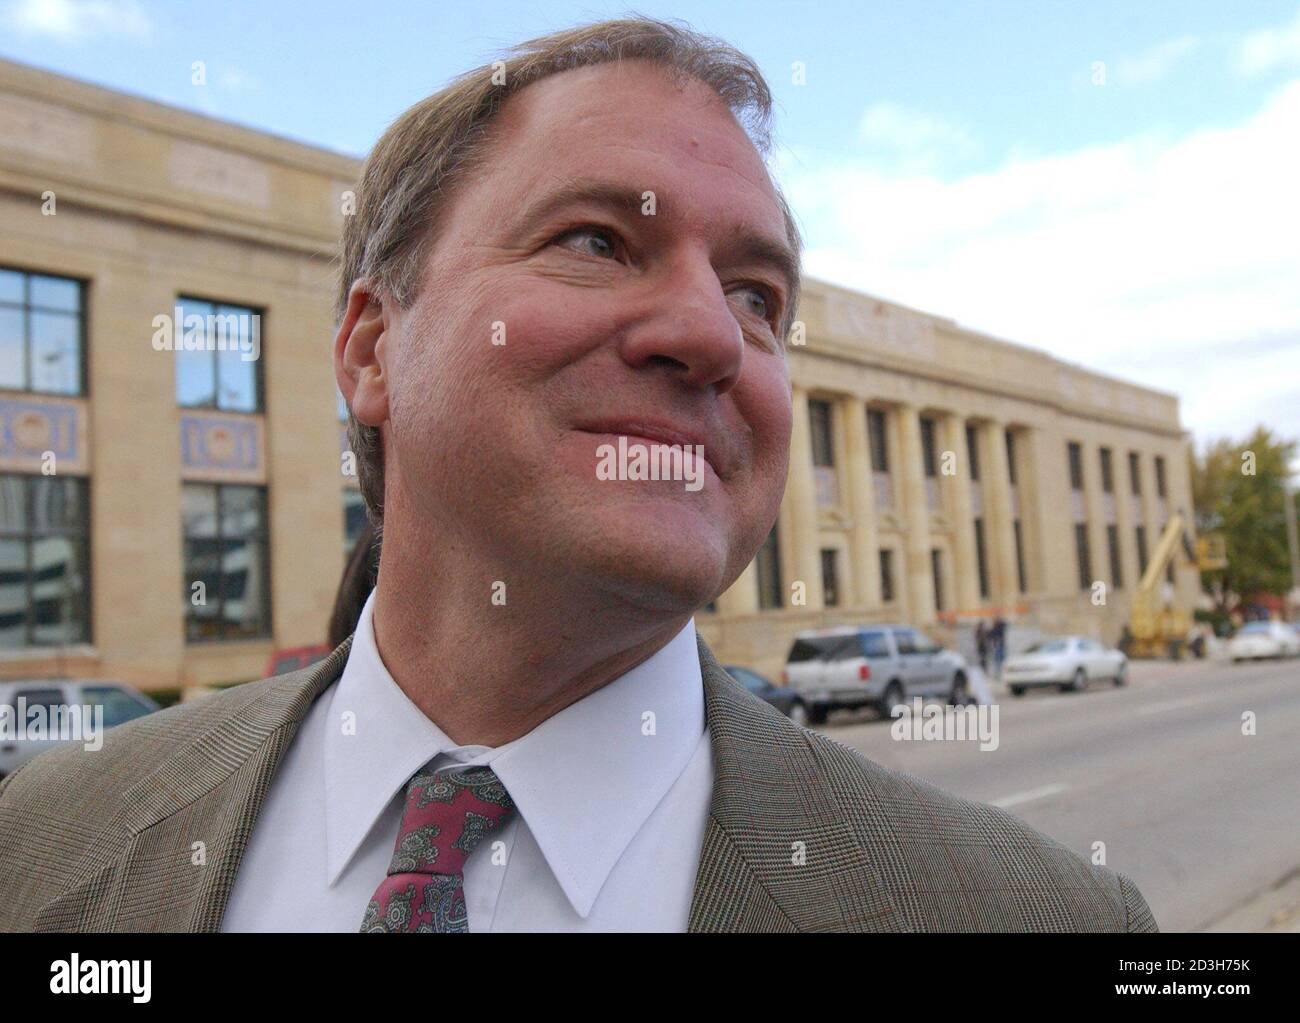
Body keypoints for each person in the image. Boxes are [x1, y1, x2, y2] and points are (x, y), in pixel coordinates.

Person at [0, 16, 1155, 933]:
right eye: (597, 241)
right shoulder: (42, 843)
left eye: (758, 296)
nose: (708, 334)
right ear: (369, 347)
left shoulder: (1038, 920)